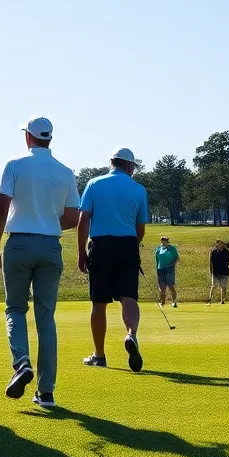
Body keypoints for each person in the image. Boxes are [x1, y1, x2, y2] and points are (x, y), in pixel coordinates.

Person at [0, 117, 80, 408]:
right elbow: (73, 217)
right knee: (46, 319)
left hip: (19, 243)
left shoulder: (14, 164)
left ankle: (21, 363)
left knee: (15, 308)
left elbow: (2, 206)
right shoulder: (65, 171)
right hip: (50, 246)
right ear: (49, 139)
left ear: (28, 137)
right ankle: (46, 392)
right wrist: (48, 221)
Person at [77, 147, 148, 372]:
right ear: (129, 166)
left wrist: (81, 252)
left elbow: (83, 220)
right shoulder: (138, 189)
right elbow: (140, 228)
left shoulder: (94, 184)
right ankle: (131, 334)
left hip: (101, 245)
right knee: (128, 298)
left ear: (111, 162)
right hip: (128, 244)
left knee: (99, 304)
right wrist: (132, 248)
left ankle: (99, 355)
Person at [154, 236, 180, 308]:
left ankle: (174, 302)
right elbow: (157, 259)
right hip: (160, 269)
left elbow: (177, 258)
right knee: (162, 287)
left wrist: (172, 265)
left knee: (170, 286)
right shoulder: (158, 249)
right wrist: (157, 268)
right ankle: (162, 302)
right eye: (162, 241)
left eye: (165, 240)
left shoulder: (172, 248)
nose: (163, 242)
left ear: (167, 241)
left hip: (169, 269)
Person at [208, 240, 229, 305]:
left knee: (223, 287)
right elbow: (211, 263)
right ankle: (210, 300)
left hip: (224, 272)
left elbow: (228, 260)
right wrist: (211, 272)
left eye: (221, 244)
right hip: (215, 272)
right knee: (214, 286)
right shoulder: (213, 252)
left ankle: (222, 300)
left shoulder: (226, 251)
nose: (220, 245)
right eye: (218, 244)